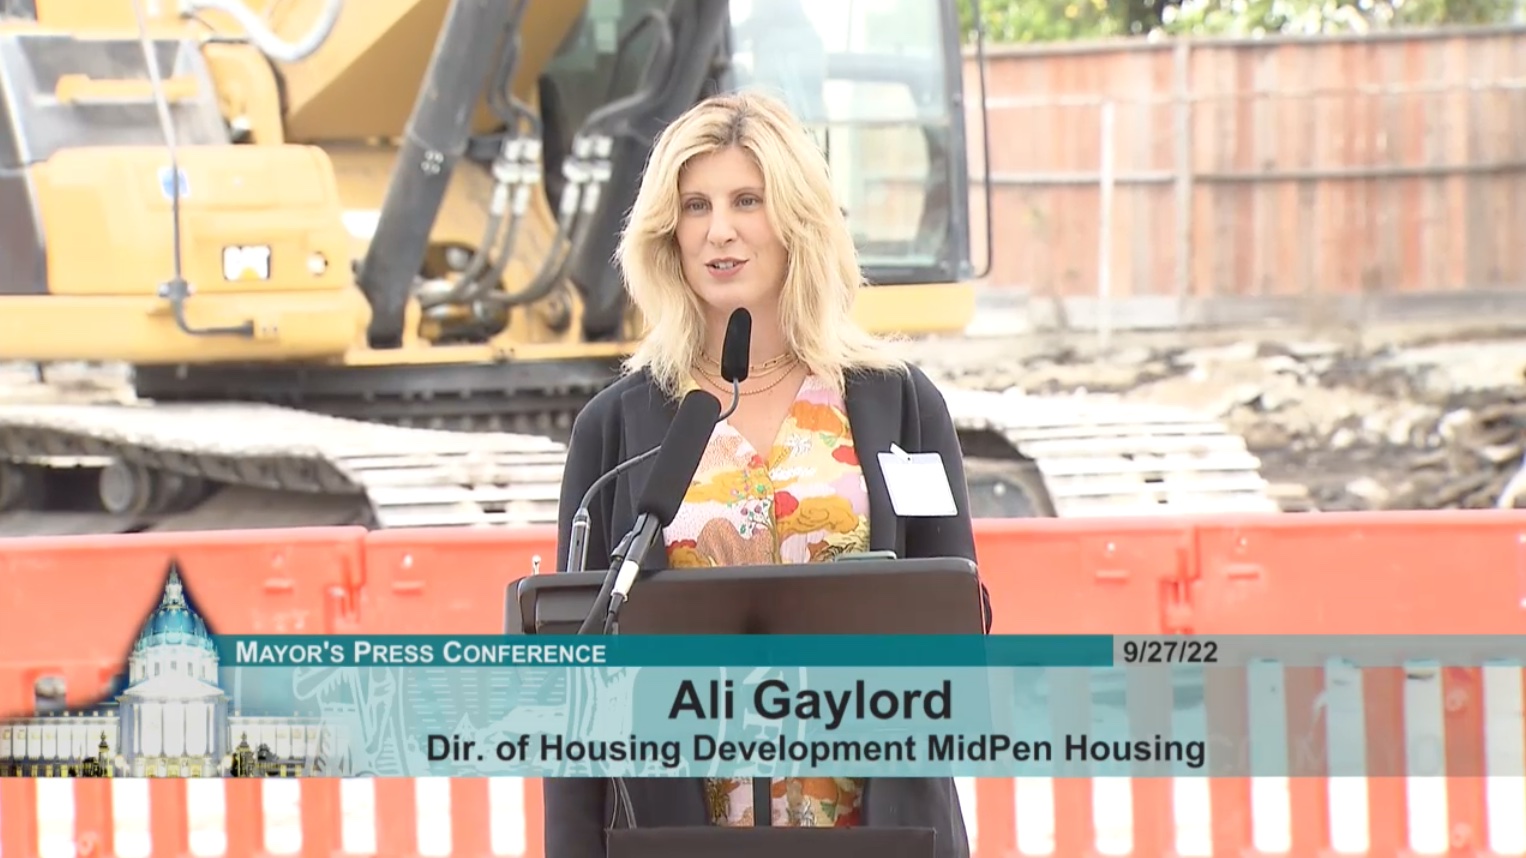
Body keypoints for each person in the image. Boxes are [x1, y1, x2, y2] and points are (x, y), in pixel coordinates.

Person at [548, 90, 991, 858]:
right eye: (695, 206)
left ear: (797, 218)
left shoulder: (900, 405)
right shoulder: (614, 428)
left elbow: (961, 623)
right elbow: (576, 683)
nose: (718, 230)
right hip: (676, 834)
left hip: (877, 831)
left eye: (746, 200)